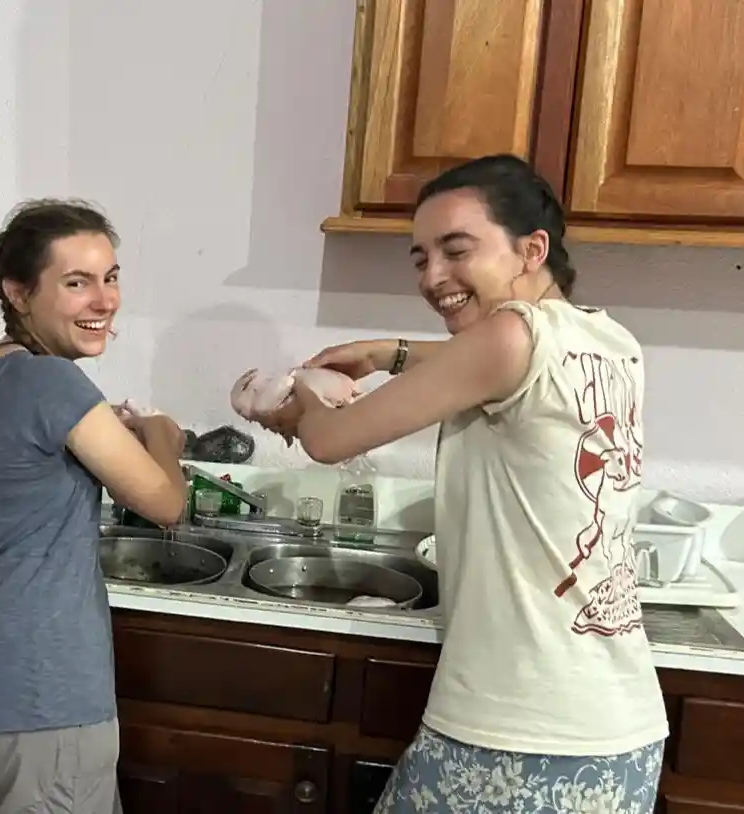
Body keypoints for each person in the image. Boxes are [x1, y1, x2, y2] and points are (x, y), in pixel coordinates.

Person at [284, 154, 667, 813]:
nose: (434, 276)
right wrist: (388, 353)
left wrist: (293, 392)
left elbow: (329, 439)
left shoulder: (510, 336)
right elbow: (486, 360)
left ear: (532, 249)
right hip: (619, 728)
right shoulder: (608, 339)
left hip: (521, 728)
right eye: (421, 258)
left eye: (457, 250)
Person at [0, 199, 188, 814]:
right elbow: (165, 502)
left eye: (110, 277)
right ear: (19, 293)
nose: (104, 300)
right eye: (76, 283)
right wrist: (164, 434)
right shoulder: (52, 382)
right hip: (43, 690)